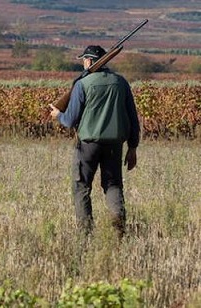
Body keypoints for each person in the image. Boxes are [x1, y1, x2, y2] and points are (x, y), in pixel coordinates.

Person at [49, 45, 140, 238]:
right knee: (113, 185)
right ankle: (118, 228)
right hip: (115, 145)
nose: (83, 63)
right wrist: (133, 147)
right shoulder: (121, 83)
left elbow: (70, 120)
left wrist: (58, 115)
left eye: (84, 60)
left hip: (88, 145)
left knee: (81, 186)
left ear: (89, 61)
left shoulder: (83, 84)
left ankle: (86, 233)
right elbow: (133, 118)